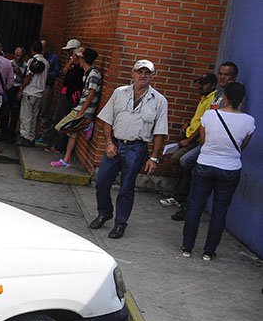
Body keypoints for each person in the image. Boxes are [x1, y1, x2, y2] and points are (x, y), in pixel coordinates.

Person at [89, 59, 168, 239]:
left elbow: (160, 132)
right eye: (140, 71)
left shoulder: (159, 101)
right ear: (133, 73)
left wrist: (154, 157)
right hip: (115, 144)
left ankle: (120, 224)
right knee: (101, 182)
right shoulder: (119, 93)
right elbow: (107, 120)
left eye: (147, 73)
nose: (143, 75)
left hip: (137, 148)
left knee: (126, 188)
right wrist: (109, 142)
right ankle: (104, 212)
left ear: (153, 76)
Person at [181, 82, 255, 260]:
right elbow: (242, 145)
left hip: (205, 164)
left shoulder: (209, 115)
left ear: (225, 97)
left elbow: (203, 141)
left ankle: (187, 247)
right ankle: (208, 251)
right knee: (220, 211)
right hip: (230, 168)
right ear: (242, 99)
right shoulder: (249, 121)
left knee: (195, 207)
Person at [171, 62, 239, 221]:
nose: (222, 77)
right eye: (220, 74)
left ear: (234, 77)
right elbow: (206, 119)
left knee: (188, 162)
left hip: (215, 144)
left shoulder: (232, 95)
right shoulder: (217, 94)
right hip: (205, 141)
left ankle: (189, 205)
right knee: (188, 164)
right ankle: (188, 204)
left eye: (226, 74)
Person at [159, 73, 217, 208]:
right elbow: (199, 117)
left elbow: (205, 122)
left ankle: (181, 196)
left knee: (182, 160)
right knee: (183, 163)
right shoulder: (204, 98)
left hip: (195, 139)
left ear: (213, 85)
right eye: (200, 83)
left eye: (204, 84)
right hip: (189, 134)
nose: (200, 86)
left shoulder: (212, 99)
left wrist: (190, 139)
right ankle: (180, 195)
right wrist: (188, 123)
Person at [50, 47, 101, 168]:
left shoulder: (93, 73)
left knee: (60, 127)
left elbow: (91, 93)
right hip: (80, 107)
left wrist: (81, 112)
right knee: (72, 134)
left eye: (79, 57)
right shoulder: (87, 73)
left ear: (83, 59)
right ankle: (66, 160)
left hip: (82, 110)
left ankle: (86, 125)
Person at [37, 40, 84, 150]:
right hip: (65, 93)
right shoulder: (74, 66)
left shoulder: (78, 69)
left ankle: (54, 143)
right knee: (57, 117)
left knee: (60, 118)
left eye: (71, 52)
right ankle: (51, 140)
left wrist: (71, 62)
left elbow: (64, 75)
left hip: (69, 96)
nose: (69, 54)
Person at [17, 40, 48, 146]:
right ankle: (31, 137)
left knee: (26, 116)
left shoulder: (32, 61)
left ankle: (25, 137)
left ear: (32, 50)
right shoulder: (46, 62)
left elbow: (28, 77)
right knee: (34, 116)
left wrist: (21, 89)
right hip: (39, 93)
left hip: (30, 92)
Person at [0, 47, 26, 142]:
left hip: (17, 88)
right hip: (9, 88)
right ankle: (3, 132)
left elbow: (26, 79)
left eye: (20, 56)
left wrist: (20, 73)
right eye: (17, 55)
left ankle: (11, 134)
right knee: (5, 111)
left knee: (14, 113)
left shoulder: (25, 66)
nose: (18, 57)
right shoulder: (9, 63)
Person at [38, 39, 60, 135]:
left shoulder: (54, 58)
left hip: (47, 85)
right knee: (35, 110)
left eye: (43, 48)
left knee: (44, 110)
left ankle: (42, 132)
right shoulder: (38, 58)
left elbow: (56, 72)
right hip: (37, 86)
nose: (42, 50)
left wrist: (44, 74)